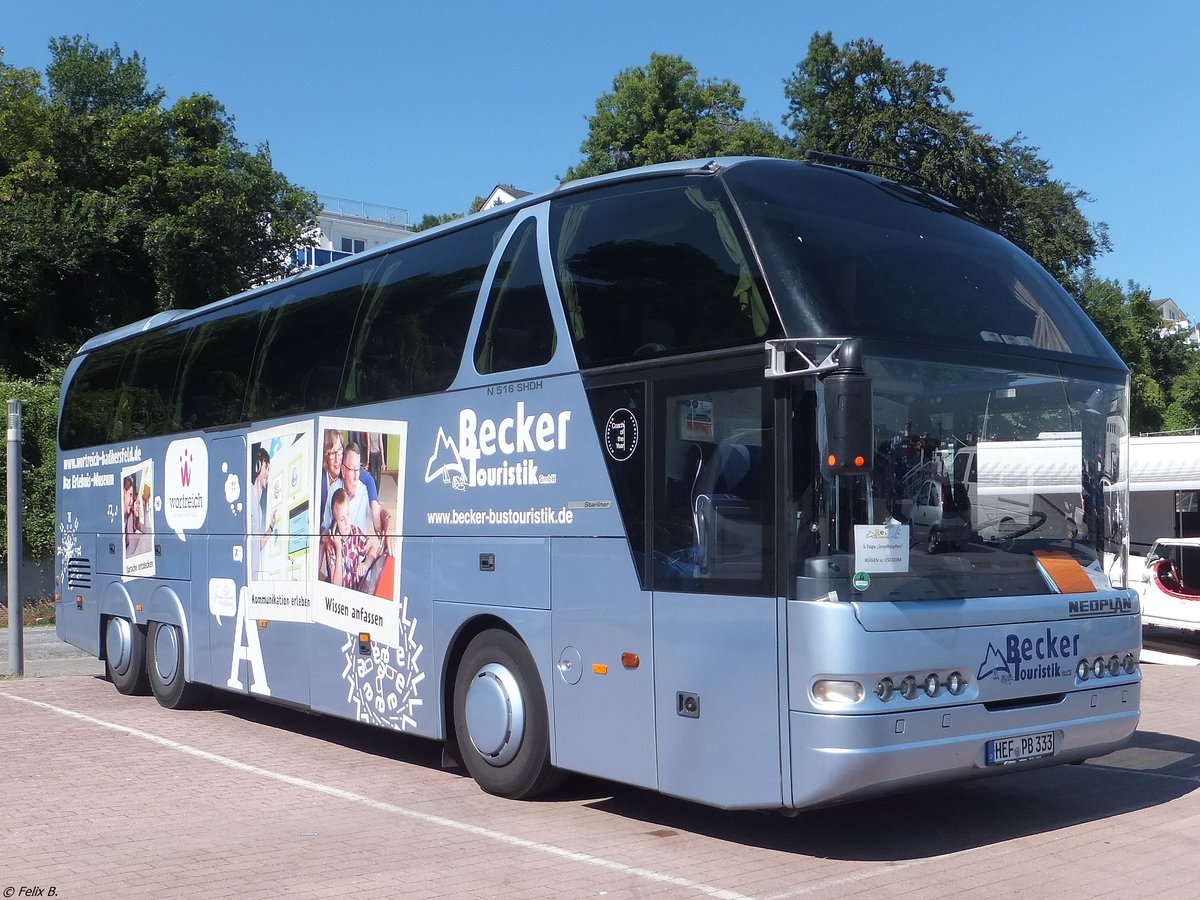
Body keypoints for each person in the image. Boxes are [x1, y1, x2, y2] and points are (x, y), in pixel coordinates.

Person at [319, 487, 380, 592]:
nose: (347, 523)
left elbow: (373, 550)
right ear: (336, 520)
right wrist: (338, 549)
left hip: (356, 593)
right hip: (339, 598)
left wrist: (366, 564)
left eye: (347, 515)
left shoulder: (355, 532)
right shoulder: (331, 544)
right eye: (342, 519)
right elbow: (336, 584)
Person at [250, 445, 276, 579]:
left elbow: (257, 544)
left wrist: (271, 527)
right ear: (258, 467)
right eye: (266, 468)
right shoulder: (247, 497)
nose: (268, 473)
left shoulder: (259, 509)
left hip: (252, 579)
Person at [123, 474, 147, 557]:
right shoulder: (130, 518)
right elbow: (132, 548)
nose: (138, 507)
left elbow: (145, 530)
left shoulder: (136, 520)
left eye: (140, 504)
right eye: (136, 503)